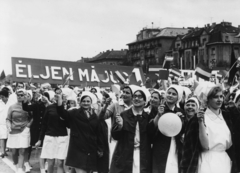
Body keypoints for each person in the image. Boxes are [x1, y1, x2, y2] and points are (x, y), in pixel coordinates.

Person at [180, 85, 239, 173]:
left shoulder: (228, 116)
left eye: (221, 96)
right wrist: (200, 122)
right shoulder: (196, 119)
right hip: (205, 161)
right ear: (208, 99)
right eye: (215, 97)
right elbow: (189, 148)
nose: (219, 100)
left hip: (225, 162)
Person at [56, 91, 104, 173]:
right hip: (77, 149)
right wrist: (60, 101)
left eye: (88, 101)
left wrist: (100, 148)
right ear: (80, 102)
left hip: (90, 150)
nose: (86, 103)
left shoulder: (94, 115)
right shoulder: (74, 113)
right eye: (83, 101)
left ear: (91, 102)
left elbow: (98, 132)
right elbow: (63, 114)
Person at [109, 89, 152, 173]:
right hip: (125, 154)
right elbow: (115, 136)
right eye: (135, 96)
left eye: (140, 97)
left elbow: (152, 137)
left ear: (145, 101)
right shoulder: (123, 115)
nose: (136, 99)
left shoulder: (147, 117)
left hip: (142, 154)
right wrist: (120, 126)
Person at [148, 85, 185, 173]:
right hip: (160, 145)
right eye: (169, 93)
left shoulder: (180, 111)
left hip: (175, 145)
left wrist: (181, 121)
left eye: (174, 94)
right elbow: (150, 130)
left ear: (178, 98)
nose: (170, 95)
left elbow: (182, 131)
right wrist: (158, 115)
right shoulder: (157, 109)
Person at [35, 90, 68, 173]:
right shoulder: (49, 108)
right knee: (51, 162)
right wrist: (40, 139)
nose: (61, 99)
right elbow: (44, 124)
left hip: (62, 137)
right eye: (58, 96)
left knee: (60, 163)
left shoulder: (68, 109)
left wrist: (65, 119)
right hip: (50, 136)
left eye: (63, 97)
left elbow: (70, 125)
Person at [6, 89, 33, 173]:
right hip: (13, 130)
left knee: (22, 150)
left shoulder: (29, 106)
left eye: (22, 95)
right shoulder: (12, 107)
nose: (20, 96)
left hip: (25, 130)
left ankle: (20, 169)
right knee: (14, 152)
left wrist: (28, 125)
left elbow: (33, 117)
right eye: (18, 95)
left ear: (25, 96)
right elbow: (8, 119)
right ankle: (16, 165)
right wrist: (9, 126)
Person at [0, 89, 10, 158]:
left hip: (9, 122)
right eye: (1, 97)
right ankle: (2, 151)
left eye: (3, 97)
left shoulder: (10, 103)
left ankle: (5, 150)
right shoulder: (0, 103)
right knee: (2, 137)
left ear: (7, 97)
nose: (2, 98)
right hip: (1, 123)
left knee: (7, 137)